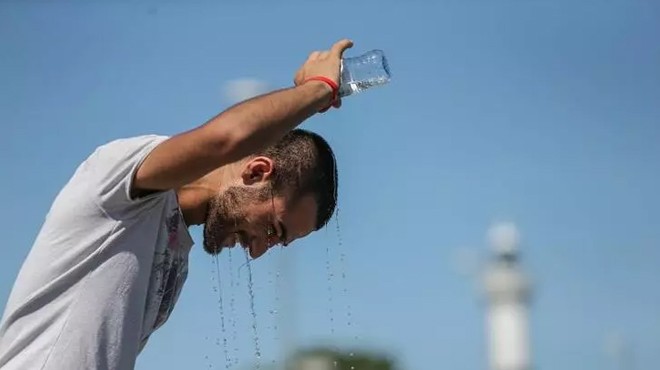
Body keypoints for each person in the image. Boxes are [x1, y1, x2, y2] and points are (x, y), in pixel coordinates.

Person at [0, 38, 354, 370]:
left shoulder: (176, 257)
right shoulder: (121, 179)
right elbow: (224, 140)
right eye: (273, 229)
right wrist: (319, 88)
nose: (259, 251)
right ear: (256, 172)